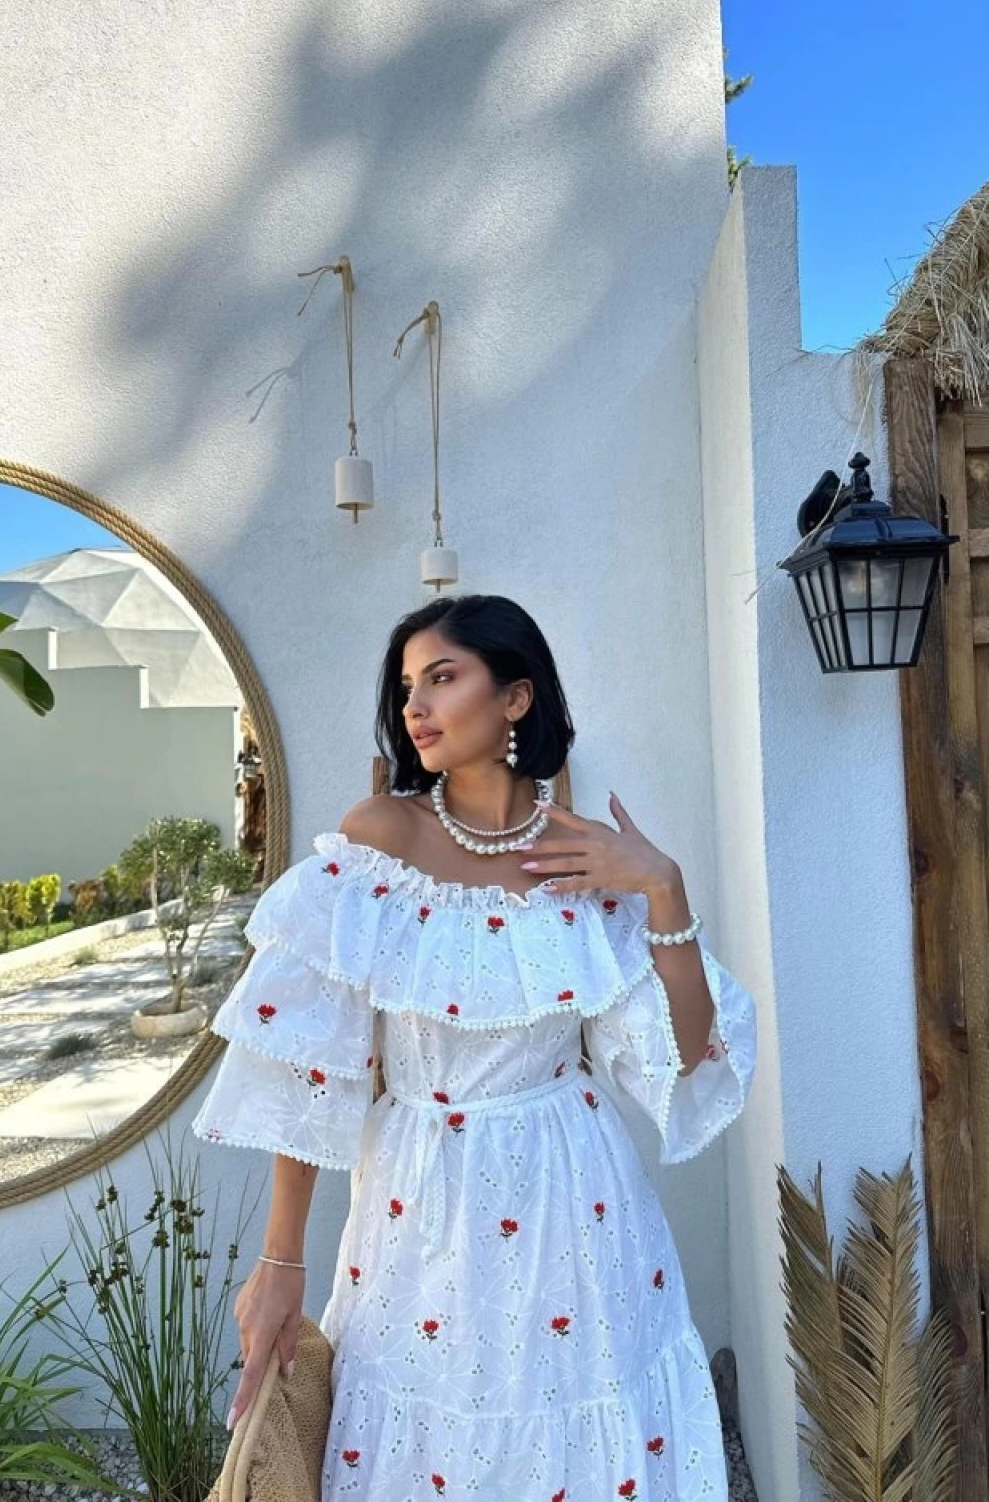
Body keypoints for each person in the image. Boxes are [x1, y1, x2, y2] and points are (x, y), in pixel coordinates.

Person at [192, 593, 757, 1500]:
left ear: (516, 698)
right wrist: (280, 1261)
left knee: (585, 1433)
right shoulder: (381, 839)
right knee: (425, 1443)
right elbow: (313, 1065)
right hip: (419, 1203)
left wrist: (664, 889)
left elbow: (688, 1052)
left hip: (579, 1202)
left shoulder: (580, 854)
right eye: (407, 686)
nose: (415, 706)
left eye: (442, 678)